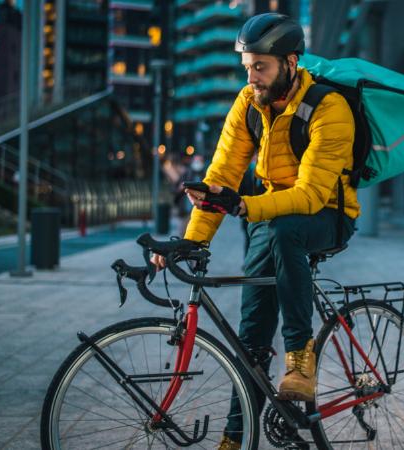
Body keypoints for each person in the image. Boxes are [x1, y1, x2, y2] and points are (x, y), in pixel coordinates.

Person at [149, 12, 359, 450]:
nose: (252, 76)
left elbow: (310, 196)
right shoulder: (249, 103)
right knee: (251, 337)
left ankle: (301, 361)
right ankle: (234, 439)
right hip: (272, 215)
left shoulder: (329, 107)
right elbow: (222, 174)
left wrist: (244, 204)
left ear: (290, 62)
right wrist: (192, 241)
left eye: (260, 66)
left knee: (285, 231)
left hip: (328, 214)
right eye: (247, 66)